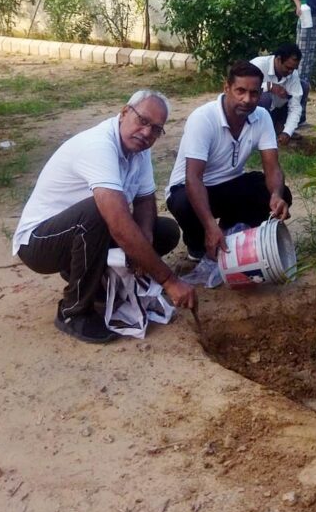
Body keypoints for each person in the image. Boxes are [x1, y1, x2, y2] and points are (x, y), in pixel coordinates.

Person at [13, 90, 194, 345]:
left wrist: (145, 239)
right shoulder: (99, 145)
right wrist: (169, 280)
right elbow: (117, 222)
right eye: (142, 121)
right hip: (39, 243)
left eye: (156, 129)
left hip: (80, 233)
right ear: (123, 113)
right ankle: (73, 311)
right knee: (100, 212)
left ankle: (95, 283)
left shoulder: (140, 150)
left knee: (164, 231)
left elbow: (144, 200)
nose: (146, 133)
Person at [166, 61, 292, 262]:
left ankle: (229, 231)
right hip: (192, 188)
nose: (247, 99)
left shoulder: (262, 116)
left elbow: (272, 167)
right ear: (226, 88)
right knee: (183, 203)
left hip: (229, 184)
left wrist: (276, 196)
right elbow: (193, 179)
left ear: (260, 93)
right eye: (240, 91)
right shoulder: (203, 118)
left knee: (280, 192)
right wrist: (209, 225)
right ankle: (197, 244)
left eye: (253, 93)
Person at [250, 43, 309, 146]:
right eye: (288, 68)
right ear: (278, 59)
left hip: (279, 109)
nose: (290, 72)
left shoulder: (292, 74)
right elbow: (245, 88)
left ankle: (281, 128)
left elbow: (295, 106)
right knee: (263, 97)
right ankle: (260, 132)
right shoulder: (258, 65)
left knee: (303, 86)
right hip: (256, 112)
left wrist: (287, 132)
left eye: (293, 69)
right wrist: (269, 86)